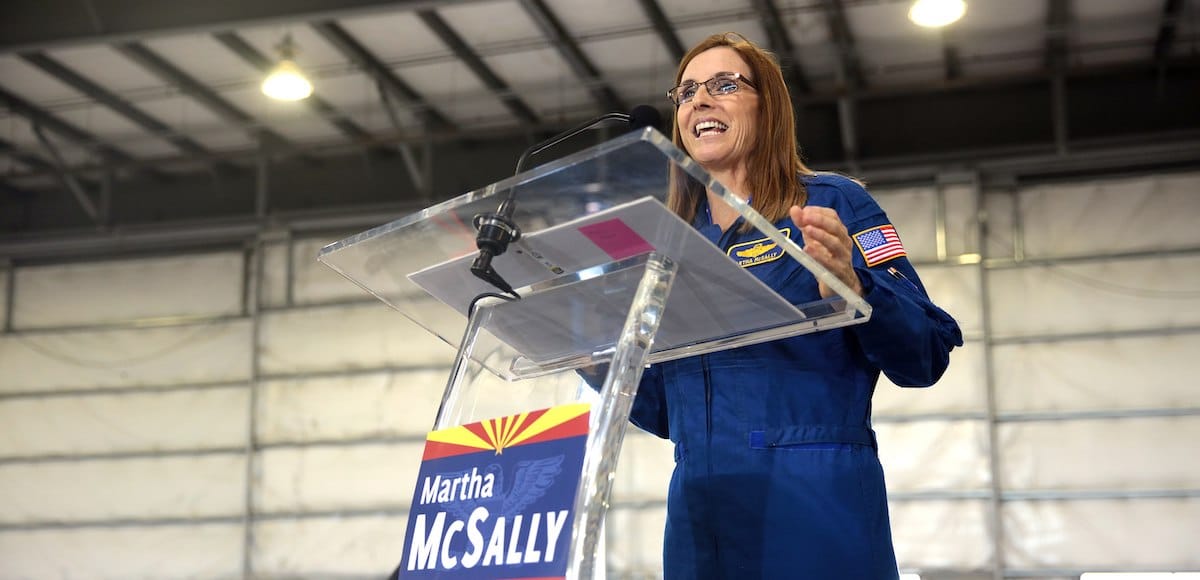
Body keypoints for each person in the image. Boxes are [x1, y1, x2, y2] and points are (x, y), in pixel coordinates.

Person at [622, 32, 964, 578]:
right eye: (685, 92)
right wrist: (590, 350)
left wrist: (855, 287)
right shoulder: (672, 247)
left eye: (723, 85)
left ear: (769, 108)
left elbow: (925, 356)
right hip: (699, 514)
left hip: (814, 505)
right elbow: (666, 413)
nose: (699, 101)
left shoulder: (833, 204)